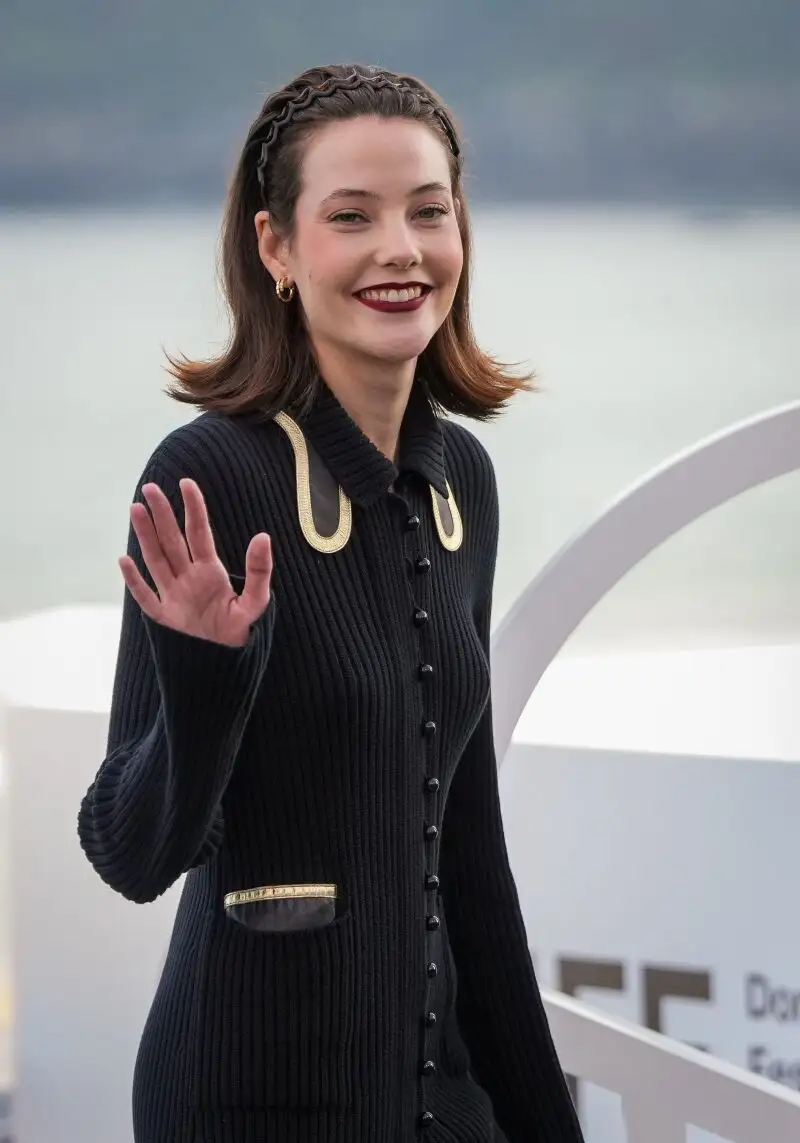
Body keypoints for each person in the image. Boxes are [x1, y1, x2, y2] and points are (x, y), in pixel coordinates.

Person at [77, 62, 584, 1143]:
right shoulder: (209, 473)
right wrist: (206, 677)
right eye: (350, 216)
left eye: (427, 212)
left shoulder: (461, 485)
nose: (399, 249)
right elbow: (132, 850)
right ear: (275, 247)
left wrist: (545, 1122)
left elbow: (470, 851)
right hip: (252, 1102)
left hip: (441, 1104)